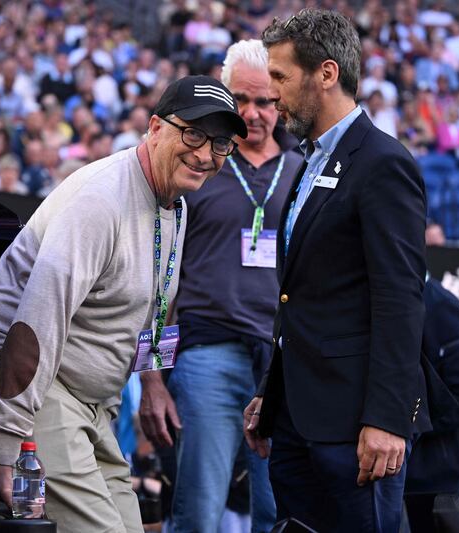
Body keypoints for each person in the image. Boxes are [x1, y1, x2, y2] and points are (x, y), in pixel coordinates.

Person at [0, 75, 247, 531]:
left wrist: (151, 383)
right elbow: (37, 321)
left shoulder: (177, 205)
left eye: (221, 144)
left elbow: (159, 301)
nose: (206, 154)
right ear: (154, 127)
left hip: (84, 401)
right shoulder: (101, 198)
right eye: (193, 134)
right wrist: (9, 444)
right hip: (17, 380)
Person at [243, 10, 430, 532]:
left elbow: (400, 299)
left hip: (356, 430)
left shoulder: (382, 162)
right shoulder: (309, 163)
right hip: (299, 422)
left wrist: (388, 420)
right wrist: (270, 392)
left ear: (326, 74)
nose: (270, 92)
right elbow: (300, 298)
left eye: (279, 77)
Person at [138, 39, 303, 533]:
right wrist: (152, 376)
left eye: (265, 101)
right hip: (208, 352)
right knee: (200, 510)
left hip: (282, 364)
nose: (253, 113)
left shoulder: (304, 172)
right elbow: (160, 281)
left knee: (280, 514)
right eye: (242, 100)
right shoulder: (195, 164)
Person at [403, 280, 459, 532]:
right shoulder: (419, 301)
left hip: (442, 476)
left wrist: (407, 425)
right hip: (423, 474)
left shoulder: (440, 308)